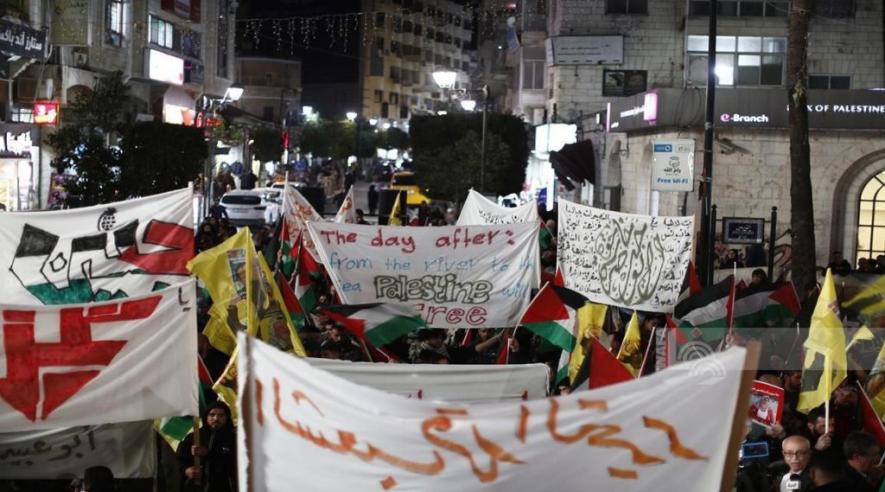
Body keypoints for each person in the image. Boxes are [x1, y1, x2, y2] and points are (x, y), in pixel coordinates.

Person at [178, 401, 237, 492]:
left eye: (221, 415)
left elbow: (234, 462)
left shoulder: (234, 438)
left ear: (227, 418)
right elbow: (179, 459)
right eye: (212, 415)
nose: (216, 418)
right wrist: (186, 470)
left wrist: (209, 453)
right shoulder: (194, 436)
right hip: (197, 488)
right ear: (206, 417)